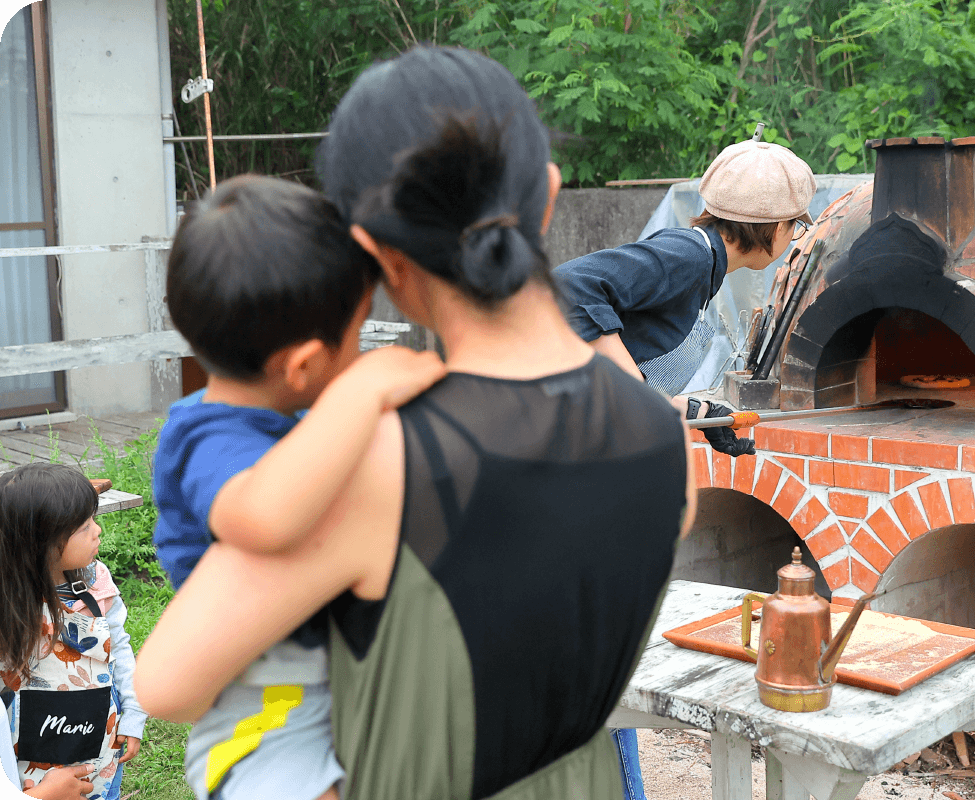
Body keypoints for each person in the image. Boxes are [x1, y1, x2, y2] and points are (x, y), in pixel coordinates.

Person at [135, 46, 696, 800]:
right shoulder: (666, 441)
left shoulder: (373, 458)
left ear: (376, 255)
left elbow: (167, 684)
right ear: (549, 197)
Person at [150, 175, 445, 800]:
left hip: (324, 684)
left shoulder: (286, 418)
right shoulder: (207, 438)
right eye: (359, 333)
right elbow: (262, 517)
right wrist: (361, 394)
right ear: (306, 364)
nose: (362, 355)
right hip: (263, 714)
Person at [553, 138, 818, 458]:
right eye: (795, 226)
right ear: (776, 228)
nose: (792, 237)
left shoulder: (706, 267)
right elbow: (570, 286)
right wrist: (632, 391)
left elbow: (637, 371)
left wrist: (701, 413)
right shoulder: (690, 255)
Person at [0, 464, 145, 800]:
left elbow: (119, 648)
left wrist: (134, 713)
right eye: (84, 526)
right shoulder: (8, 607)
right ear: (41, 542)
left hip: (100, 743)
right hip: (30, 768)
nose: (98, 530)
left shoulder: (96, 584)